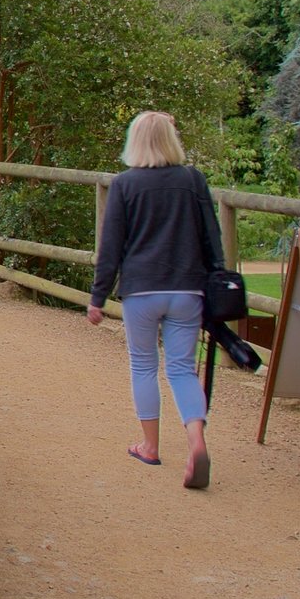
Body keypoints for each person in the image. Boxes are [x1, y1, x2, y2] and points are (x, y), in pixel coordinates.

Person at [86, 110, 224, 490]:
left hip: (141, 290)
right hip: (187, 289)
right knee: (181, 369)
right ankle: (196, 440)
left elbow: (110, 246)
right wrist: (216, 281)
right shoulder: (192, 180)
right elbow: (212, 237)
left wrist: (97, 297)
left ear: (135, 142)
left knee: (144, 366)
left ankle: (150, 445)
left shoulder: (125, 185)